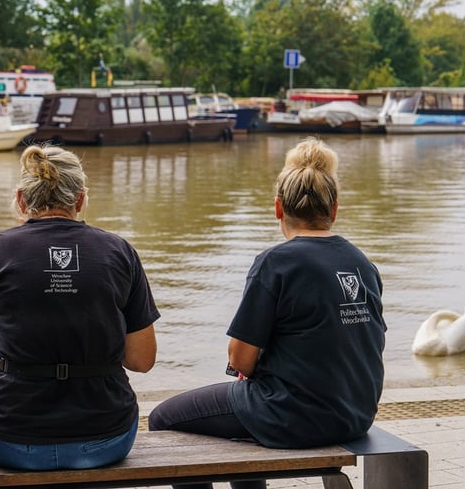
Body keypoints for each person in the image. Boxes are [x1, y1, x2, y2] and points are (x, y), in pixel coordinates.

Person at [148, 136, 386, 489]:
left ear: (278, 208)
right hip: (355, 414)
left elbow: (240, 360)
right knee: (238, 421)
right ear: (333, 210)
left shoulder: (276, 263)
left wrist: (256, 369)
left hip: (293, 416)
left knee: (164, 418)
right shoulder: (362, 264)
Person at [0, 143, 159, 470]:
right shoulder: (118, 251)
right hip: (107, 437)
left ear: (21, 199)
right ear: (81, 199)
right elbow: (142, 360)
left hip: (12, 440)